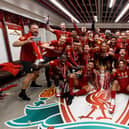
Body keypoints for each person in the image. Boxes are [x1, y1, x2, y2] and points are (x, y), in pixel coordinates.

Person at [13, 23, 42, 100]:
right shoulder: (26, 36)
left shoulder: (36, 37)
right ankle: (22, 93)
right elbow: (14, 44)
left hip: (34, 59)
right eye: (34, 28)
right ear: (29, 29)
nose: (36, 30)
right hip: (26, 60)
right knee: (30, 75)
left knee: (37, 73)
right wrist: (26, 41)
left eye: (37, 28)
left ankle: (33, 83)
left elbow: (39, 45)